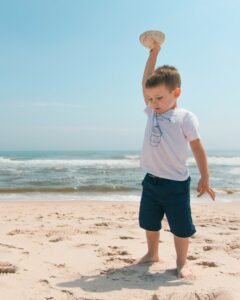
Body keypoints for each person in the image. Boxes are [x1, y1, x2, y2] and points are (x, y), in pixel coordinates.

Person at [135, 43, 216, 280]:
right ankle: (152, 253)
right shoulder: (152, 112)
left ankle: (182, 262)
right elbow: (145, 82)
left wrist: (205, 176)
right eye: (150, 98)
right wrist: (153, 55)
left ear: (176, 93)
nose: (153, 102)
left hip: (176, 184)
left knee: (181, 226)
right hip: (151, 181)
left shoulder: (184, 117)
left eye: (159, 97)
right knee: (149, 222)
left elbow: (197, 146)